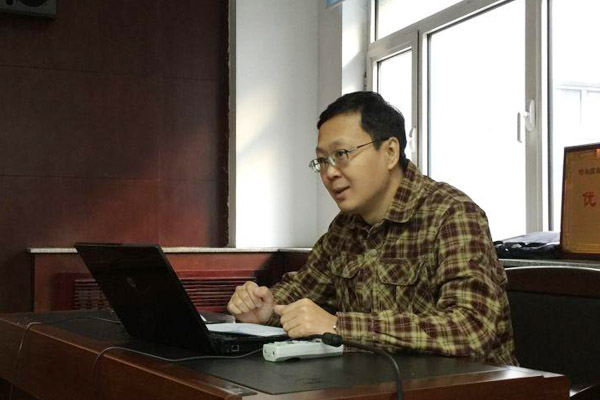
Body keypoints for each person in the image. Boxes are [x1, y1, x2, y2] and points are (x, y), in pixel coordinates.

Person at [227, 91, 517, 366]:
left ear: (390, 152)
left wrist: (339, 326)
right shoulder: (345, 228)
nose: (329, 173)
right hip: (378, 384)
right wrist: (266, 308)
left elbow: (471, 329)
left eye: (342, 154)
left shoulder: (452, 214)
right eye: (322, 161)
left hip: (471, 387)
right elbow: (304, 289)